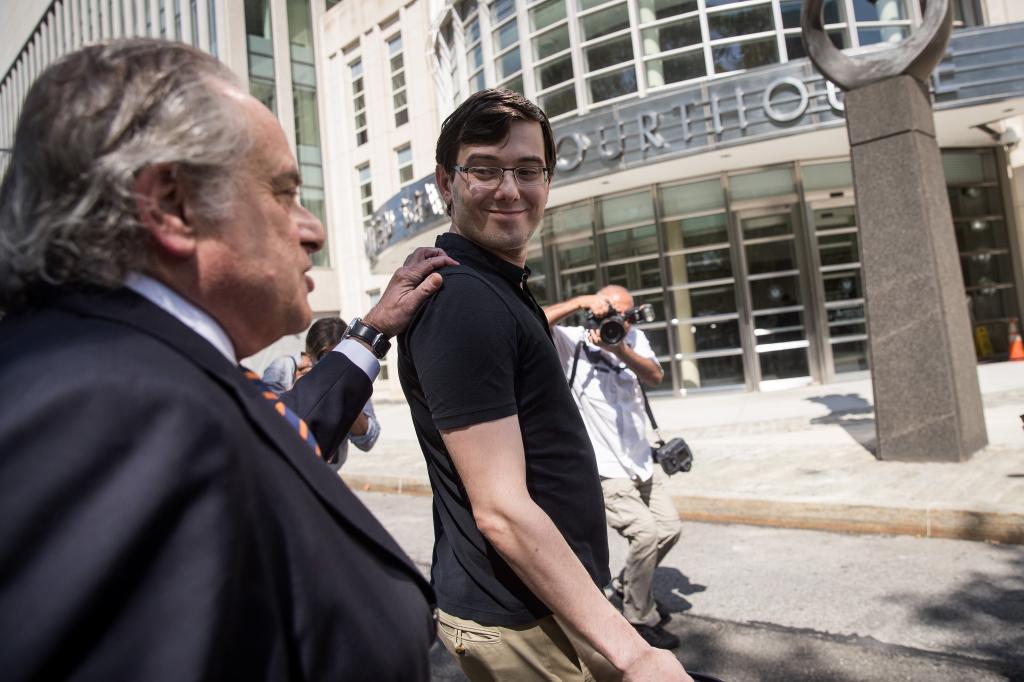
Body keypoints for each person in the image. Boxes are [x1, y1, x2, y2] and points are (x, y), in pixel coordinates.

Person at [0, 39, 457, 681]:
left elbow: (272, 430)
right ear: (171, 205)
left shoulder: (139, 373)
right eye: (283, 191)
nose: (313, 228)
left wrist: (372, 331)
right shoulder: (107, 411)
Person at [397, 88, 692, 682]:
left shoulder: (498, 285)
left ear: (548, 181)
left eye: (528, 170)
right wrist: (632, 651)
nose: (510, 189)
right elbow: (501, 510)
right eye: (484, 168)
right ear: (445, 183)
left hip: (551, 600)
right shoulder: (464, 301)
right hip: (518, 620)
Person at [544, 287, 683, 650]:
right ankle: (639, 617)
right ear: (595, 315)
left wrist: (619, 347)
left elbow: (655, 376)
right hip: (604, 467)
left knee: (669, 528)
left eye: (624, 315)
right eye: (610, 316)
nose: (618, 322)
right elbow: (535, 321)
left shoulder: (633, 339)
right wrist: (577, 302)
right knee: (644, 533)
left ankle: (626, 585)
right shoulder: (572, 341)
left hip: (641, 461)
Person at [304, 317, 381, 469]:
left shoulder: (352, 382)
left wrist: (347, 395)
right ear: (309, 356)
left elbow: (368, 440)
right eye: (324, 359)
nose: (330, 366)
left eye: (337, 358)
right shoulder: (289, 373)